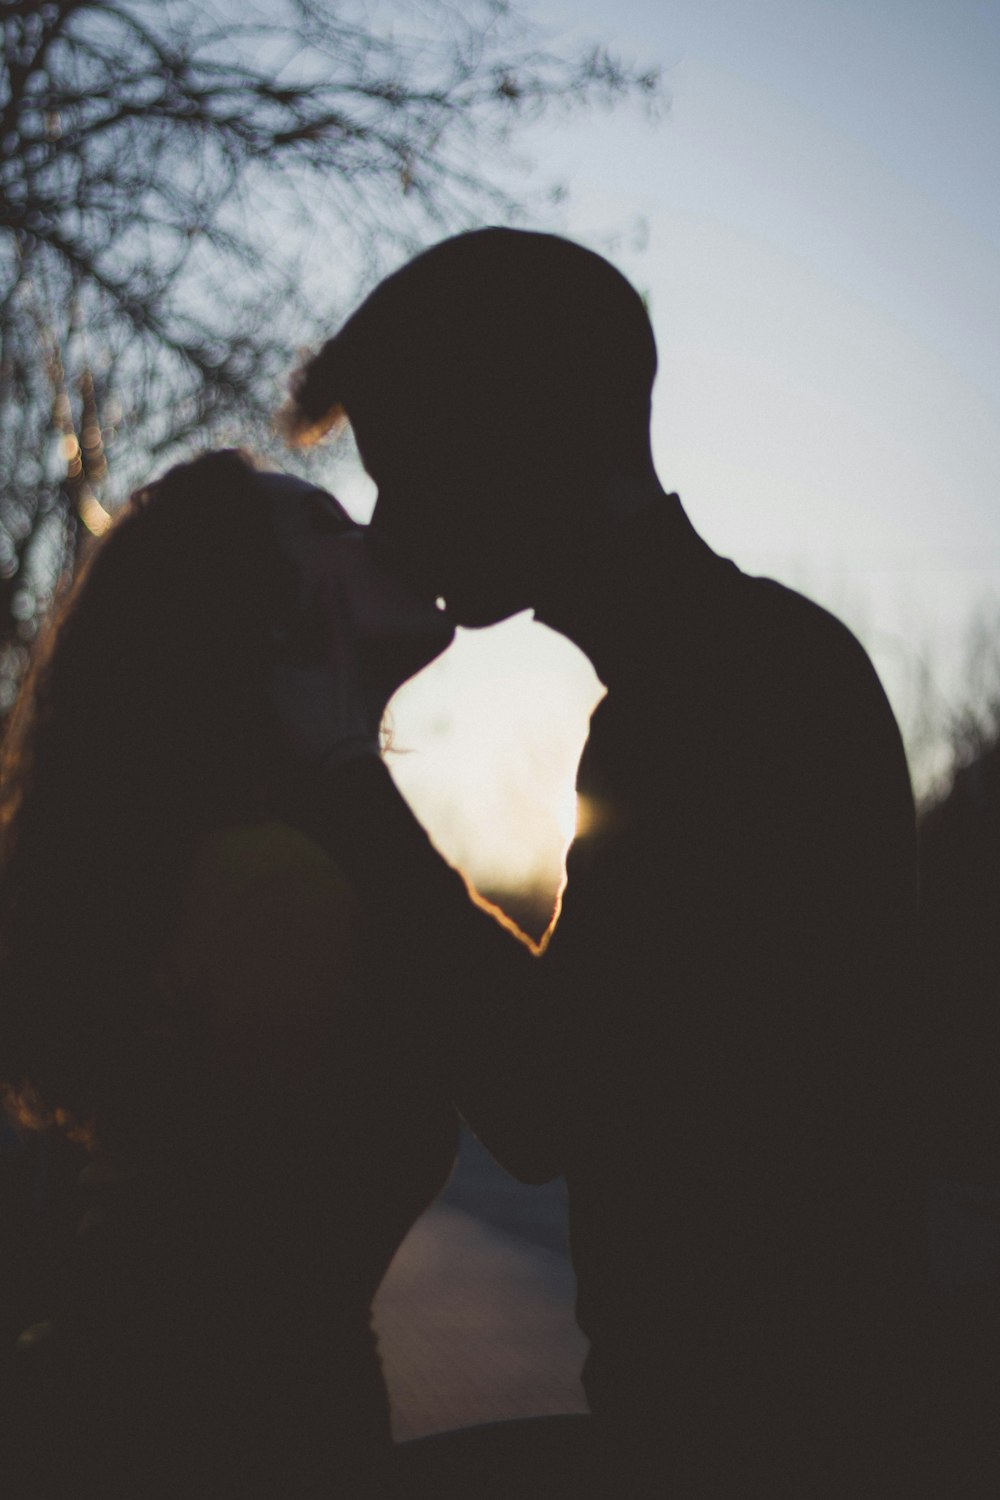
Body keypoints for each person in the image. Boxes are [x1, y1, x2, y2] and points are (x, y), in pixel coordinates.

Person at [279, 227, 935, 1494]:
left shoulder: (719, 695)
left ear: (513, 437)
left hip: (761, 1442)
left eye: (405, 467)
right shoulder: (748, 662)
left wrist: (343, 784)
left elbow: (540, 1096)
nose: (389, 519)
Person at [0, 449, 457, 1498]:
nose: (381, 533)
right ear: (270, 615)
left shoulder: (259, 851)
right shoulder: (270, 878)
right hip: (214, 1438)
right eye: (333, 525)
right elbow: (248, 1283)